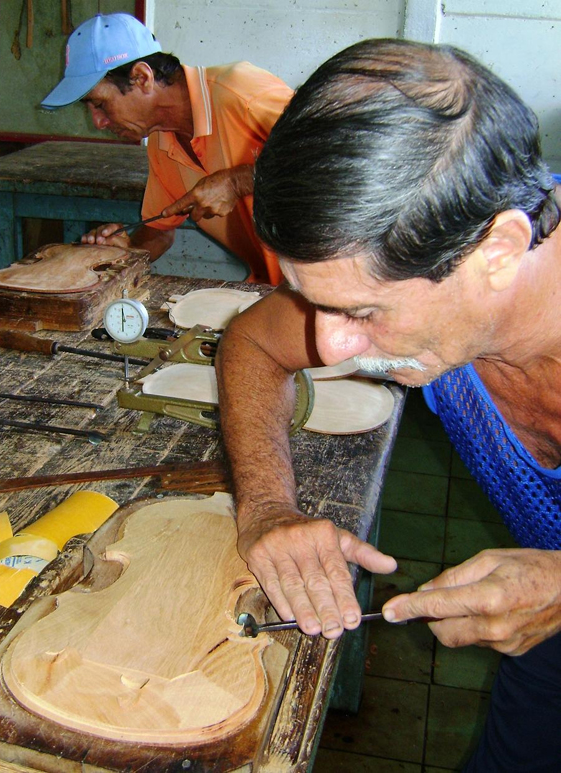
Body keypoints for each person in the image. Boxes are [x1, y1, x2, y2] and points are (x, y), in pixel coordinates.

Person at [215, 39, 561, 772]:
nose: (334, 347)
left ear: (498, 251)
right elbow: (252, 342)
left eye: (364, 312)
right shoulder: (448, 276)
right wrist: (269, 507)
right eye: (316, 302)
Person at [41, 13, 292, 285]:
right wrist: (123, 254)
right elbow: (159, 231)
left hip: (329, 285)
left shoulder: (243, 93)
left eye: (100, 104)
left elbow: (339, 160)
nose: (98, 123)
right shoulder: (162, 141)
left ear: (142, 78)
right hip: (274, 286)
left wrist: (236, 182)